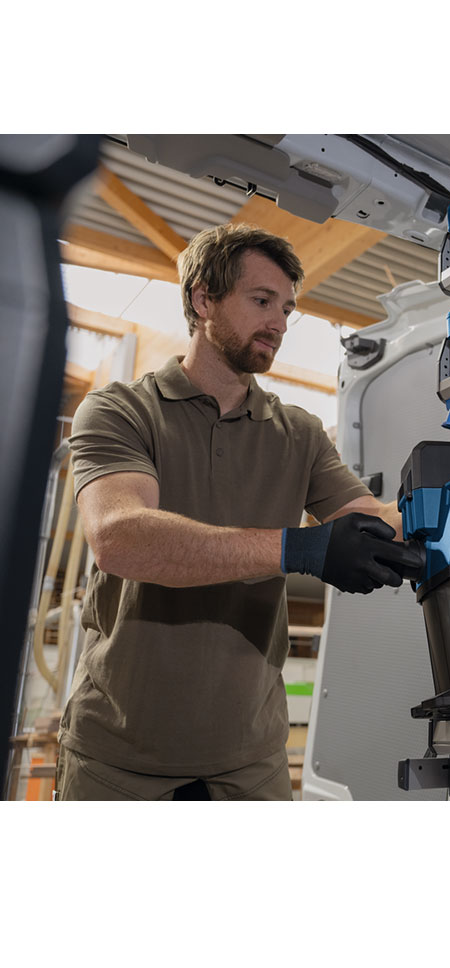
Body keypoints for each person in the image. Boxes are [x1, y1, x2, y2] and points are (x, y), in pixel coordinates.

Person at [55, 223, 421, 801]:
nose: (279, 323)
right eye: (262, 300)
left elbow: (372, 522)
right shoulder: (120, 410)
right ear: (204, 300)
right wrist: (297, 548)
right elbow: (119, 537)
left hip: (250, 763)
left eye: (287, 308)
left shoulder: (299, 433)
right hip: (116, 761)